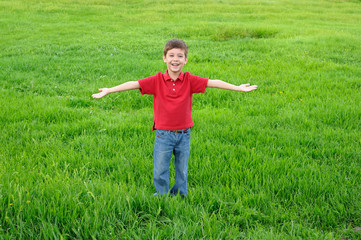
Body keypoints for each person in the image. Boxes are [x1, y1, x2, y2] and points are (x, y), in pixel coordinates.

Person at [92, 39, 257, 197]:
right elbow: (133, 83)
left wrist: (237, 88)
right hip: (163, 134)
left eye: (180, 56)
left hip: (184, 134)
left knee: (182, 169)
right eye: (171, 55)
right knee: (160, 169)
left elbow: (213, 82)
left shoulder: (190, 80)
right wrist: (109, 90)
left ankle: (179, 195)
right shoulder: (156, 80)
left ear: (186, 59)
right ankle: (162, 195)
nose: (175, 59)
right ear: (164, 58)